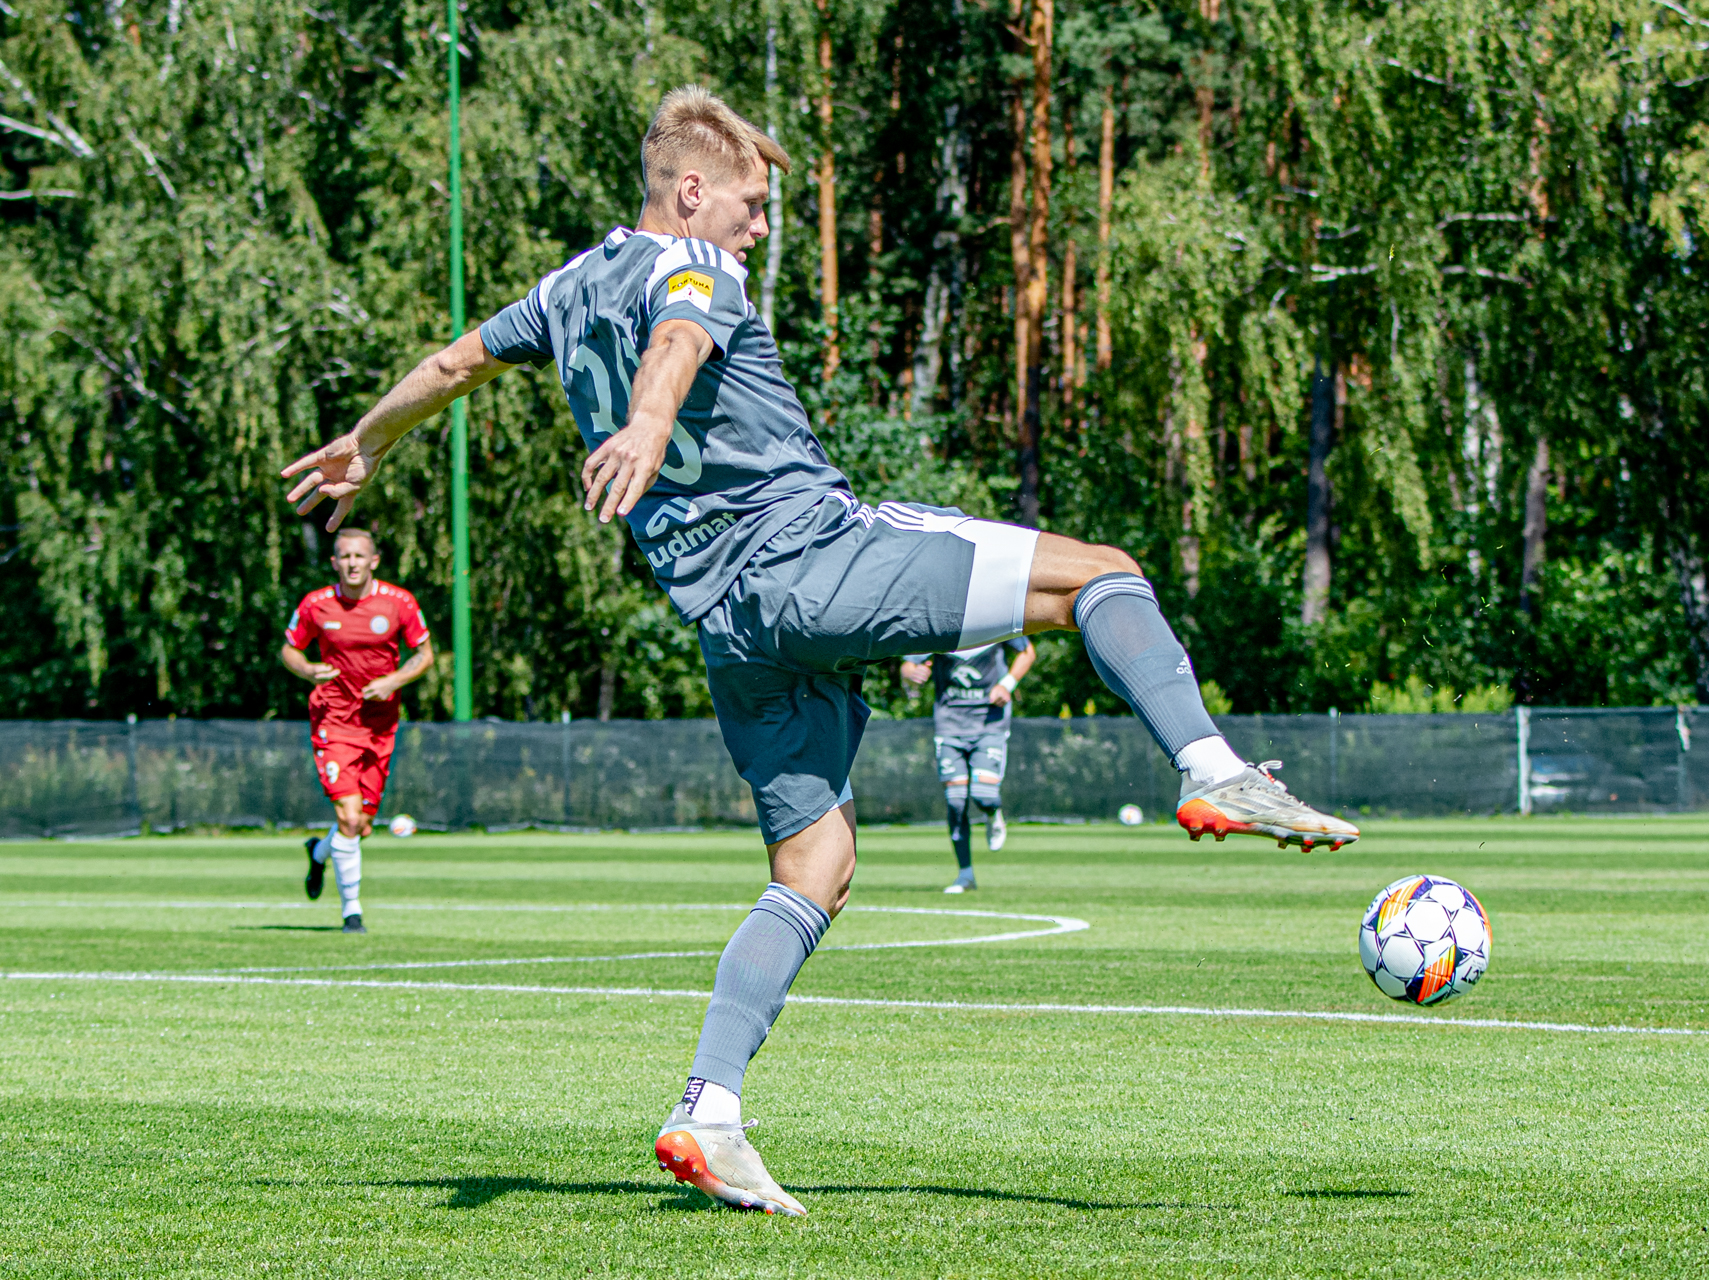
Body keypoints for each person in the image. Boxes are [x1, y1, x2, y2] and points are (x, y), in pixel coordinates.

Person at [281, 85, 1357, 1216]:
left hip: (728, 625)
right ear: (690, 191)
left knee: (815, 866)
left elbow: (453, 365)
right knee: (1102, 575)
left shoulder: (565, 287)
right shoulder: (694, 263)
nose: (758, 226)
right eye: (749, 203)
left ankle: (710, 1110)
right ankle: (1209, 767)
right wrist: (650, 416)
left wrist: (367, 440)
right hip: (810, 561)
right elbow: (680, 334)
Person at [279, 528, 433, 933]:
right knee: (348, 819)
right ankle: (353, 913)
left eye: (359, 556)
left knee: (360, 826)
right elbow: (290, 648)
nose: (352, 563)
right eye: (345, 556)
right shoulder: (316, 604)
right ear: (334, 562)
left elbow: (424, 654)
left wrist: (393, 681)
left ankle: (318, 852)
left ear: (373, 561)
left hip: (380, 725)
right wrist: (307, 669)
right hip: (333, 721)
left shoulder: (399, 602)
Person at [900, 639, 1037, 892]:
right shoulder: (941, 627)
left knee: (984, 796)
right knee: (955, 802)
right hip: (949, 726)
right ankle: (965, 875)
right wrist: (912, 674)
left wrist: (1007, 684)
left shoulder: (994, 621)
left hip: (990, 723)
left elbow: (1027, 652)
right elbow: (908, 664)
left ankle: (992, 813)